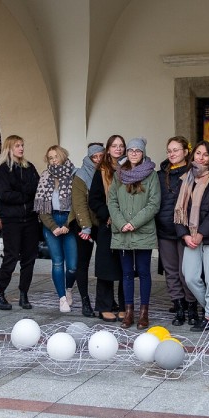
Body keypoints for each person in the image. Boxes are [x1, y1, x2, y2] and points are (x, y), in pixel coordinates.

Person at [108, 137, 161, 329]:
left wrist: (134, 223)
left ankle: (144, 313)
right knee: (127, 273)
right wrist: (122, 223)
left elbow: (154, 203)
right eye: (130, 150)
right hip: (122, 232)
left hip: (143, 231)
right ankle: (129, 311)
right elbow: (112, 201)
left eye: (137, 150)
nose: (133, 153)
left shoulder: (151, 175)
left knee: (144, 272)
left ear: (143, 152)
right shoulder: (119, 174)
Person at [175, 141, 209, 332]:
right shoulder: (185, 179)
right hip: (190, 238)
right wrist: (185, 235)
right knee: (189, 276)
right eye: (198, 153)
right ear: (193, 155)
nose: (201, 157)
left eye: (205, 155)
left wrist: (201, 234)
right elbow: (178, 211)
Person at [0, 135, 40, 310]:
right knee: (11, 257)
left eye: (22, 145)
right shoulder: (2, 170)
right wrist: (26, 194)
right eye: (17, 146)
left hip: (31, 219)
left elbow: (37, 188)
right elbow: (5, 195)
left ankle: (23, 294)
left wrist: (22, 192)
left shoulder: (29, 167)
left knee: (29, 258)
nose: (21, 148)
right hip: (12, 220)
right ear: (9, 148)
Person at [156, 136, 198, 326]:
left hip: (186, 231)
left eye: (176, 150)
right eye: (169, 150)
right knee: (171, 271)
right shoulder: (159, 175)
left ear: (185, 151)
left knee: (186, 272)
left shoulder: (194, 173)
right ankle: (178, 307)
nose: (172, 154)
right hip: (165, 229)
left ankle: (192, 307)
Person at [34, 145, 78, 313]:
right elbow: (41, 207)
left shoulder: (74, 175)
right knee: (58, 262)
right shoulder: (45, 176)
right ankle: (61, 298)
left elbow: (77, 203)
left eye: (55, 156)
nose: (53, 160)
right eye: (50, 157)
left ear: (62, 156)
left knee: (73, 265)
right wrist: (53, 227)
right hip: (51, 220)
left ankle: (68, 289)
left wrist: (67, 225)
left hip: (69, 221)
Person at [89, 134, 126, 321]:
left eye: (121, 146)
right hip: (108, 225)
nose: (118, 149)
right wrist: (109, 215)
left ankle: (123, 305)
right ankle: (104, 305)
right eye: (114, 146)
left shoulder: (130, 169)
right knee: (106, 267)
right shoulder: (101, 171)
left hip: (126, 226)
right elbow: (94, 200)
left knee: (124, 267)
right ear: (108, 149)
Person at [71, 143, 105, 317]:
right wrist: (86, 227)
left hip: (103, 222)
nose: (98, 159)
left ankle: (106, 301)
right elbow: (79, 204)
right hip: (84, 224)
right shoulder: (81, 175)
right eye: (95, 157)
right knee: (82, 263)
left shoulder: (107, 171)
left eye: (101, 156)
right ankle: (85, 301)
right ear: (89, 157)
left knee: (105, 262)